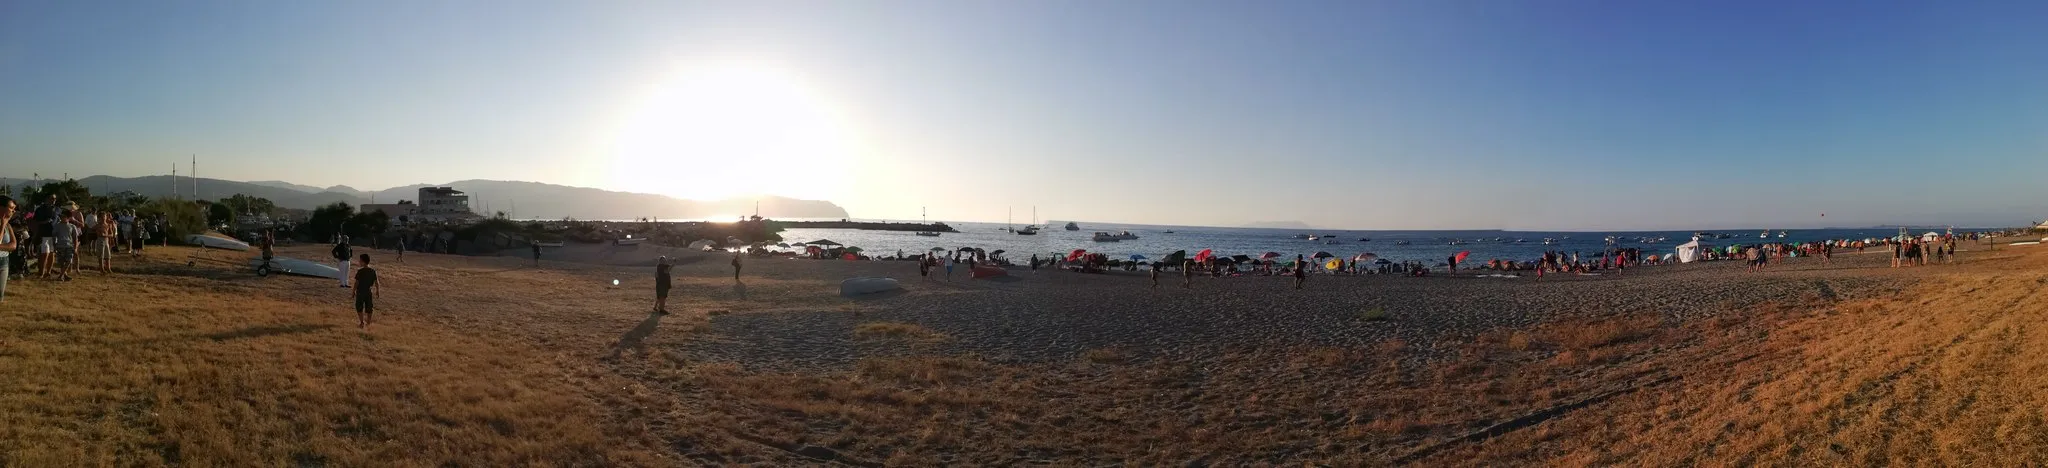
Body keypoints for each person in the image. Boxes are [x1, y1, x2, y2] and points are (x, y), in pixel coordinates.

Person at [31, 195, 57, 278]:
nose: (53, 200)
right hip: (43, 234)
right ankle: (41, 272)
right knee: (44, 254)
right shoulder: (40, 209)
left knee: (52, 254)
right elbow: (34, 222)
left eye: (55, 198)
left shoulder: (57, 209)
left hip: (54, 235)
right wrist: (44, 222)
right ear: (47, 199)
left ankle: (48, 272)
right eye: (52, 198)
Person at [353, 254, 379, 329]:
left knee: (359, 307)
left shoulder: (360, 271)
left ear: (363, 262)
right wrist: (377, 290)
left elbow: (356, 283)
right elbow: (376, 282)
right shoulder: (373, 271)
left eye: (360, 260)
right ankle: (368, 322)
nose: (359, 262)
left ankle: (361, 322)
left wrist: (353, 291)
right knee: (369, 308)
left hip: (360, 292)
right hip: (368, 292)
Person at [0, 196, 16, 303]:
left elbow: (13, 245)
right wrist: (3, 224)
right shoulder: (5, 225)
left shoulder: (8, 226)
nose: (13, 211)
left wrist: (5, 224)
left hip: (3, 263)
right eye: (11, 208)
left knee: (0, 294)